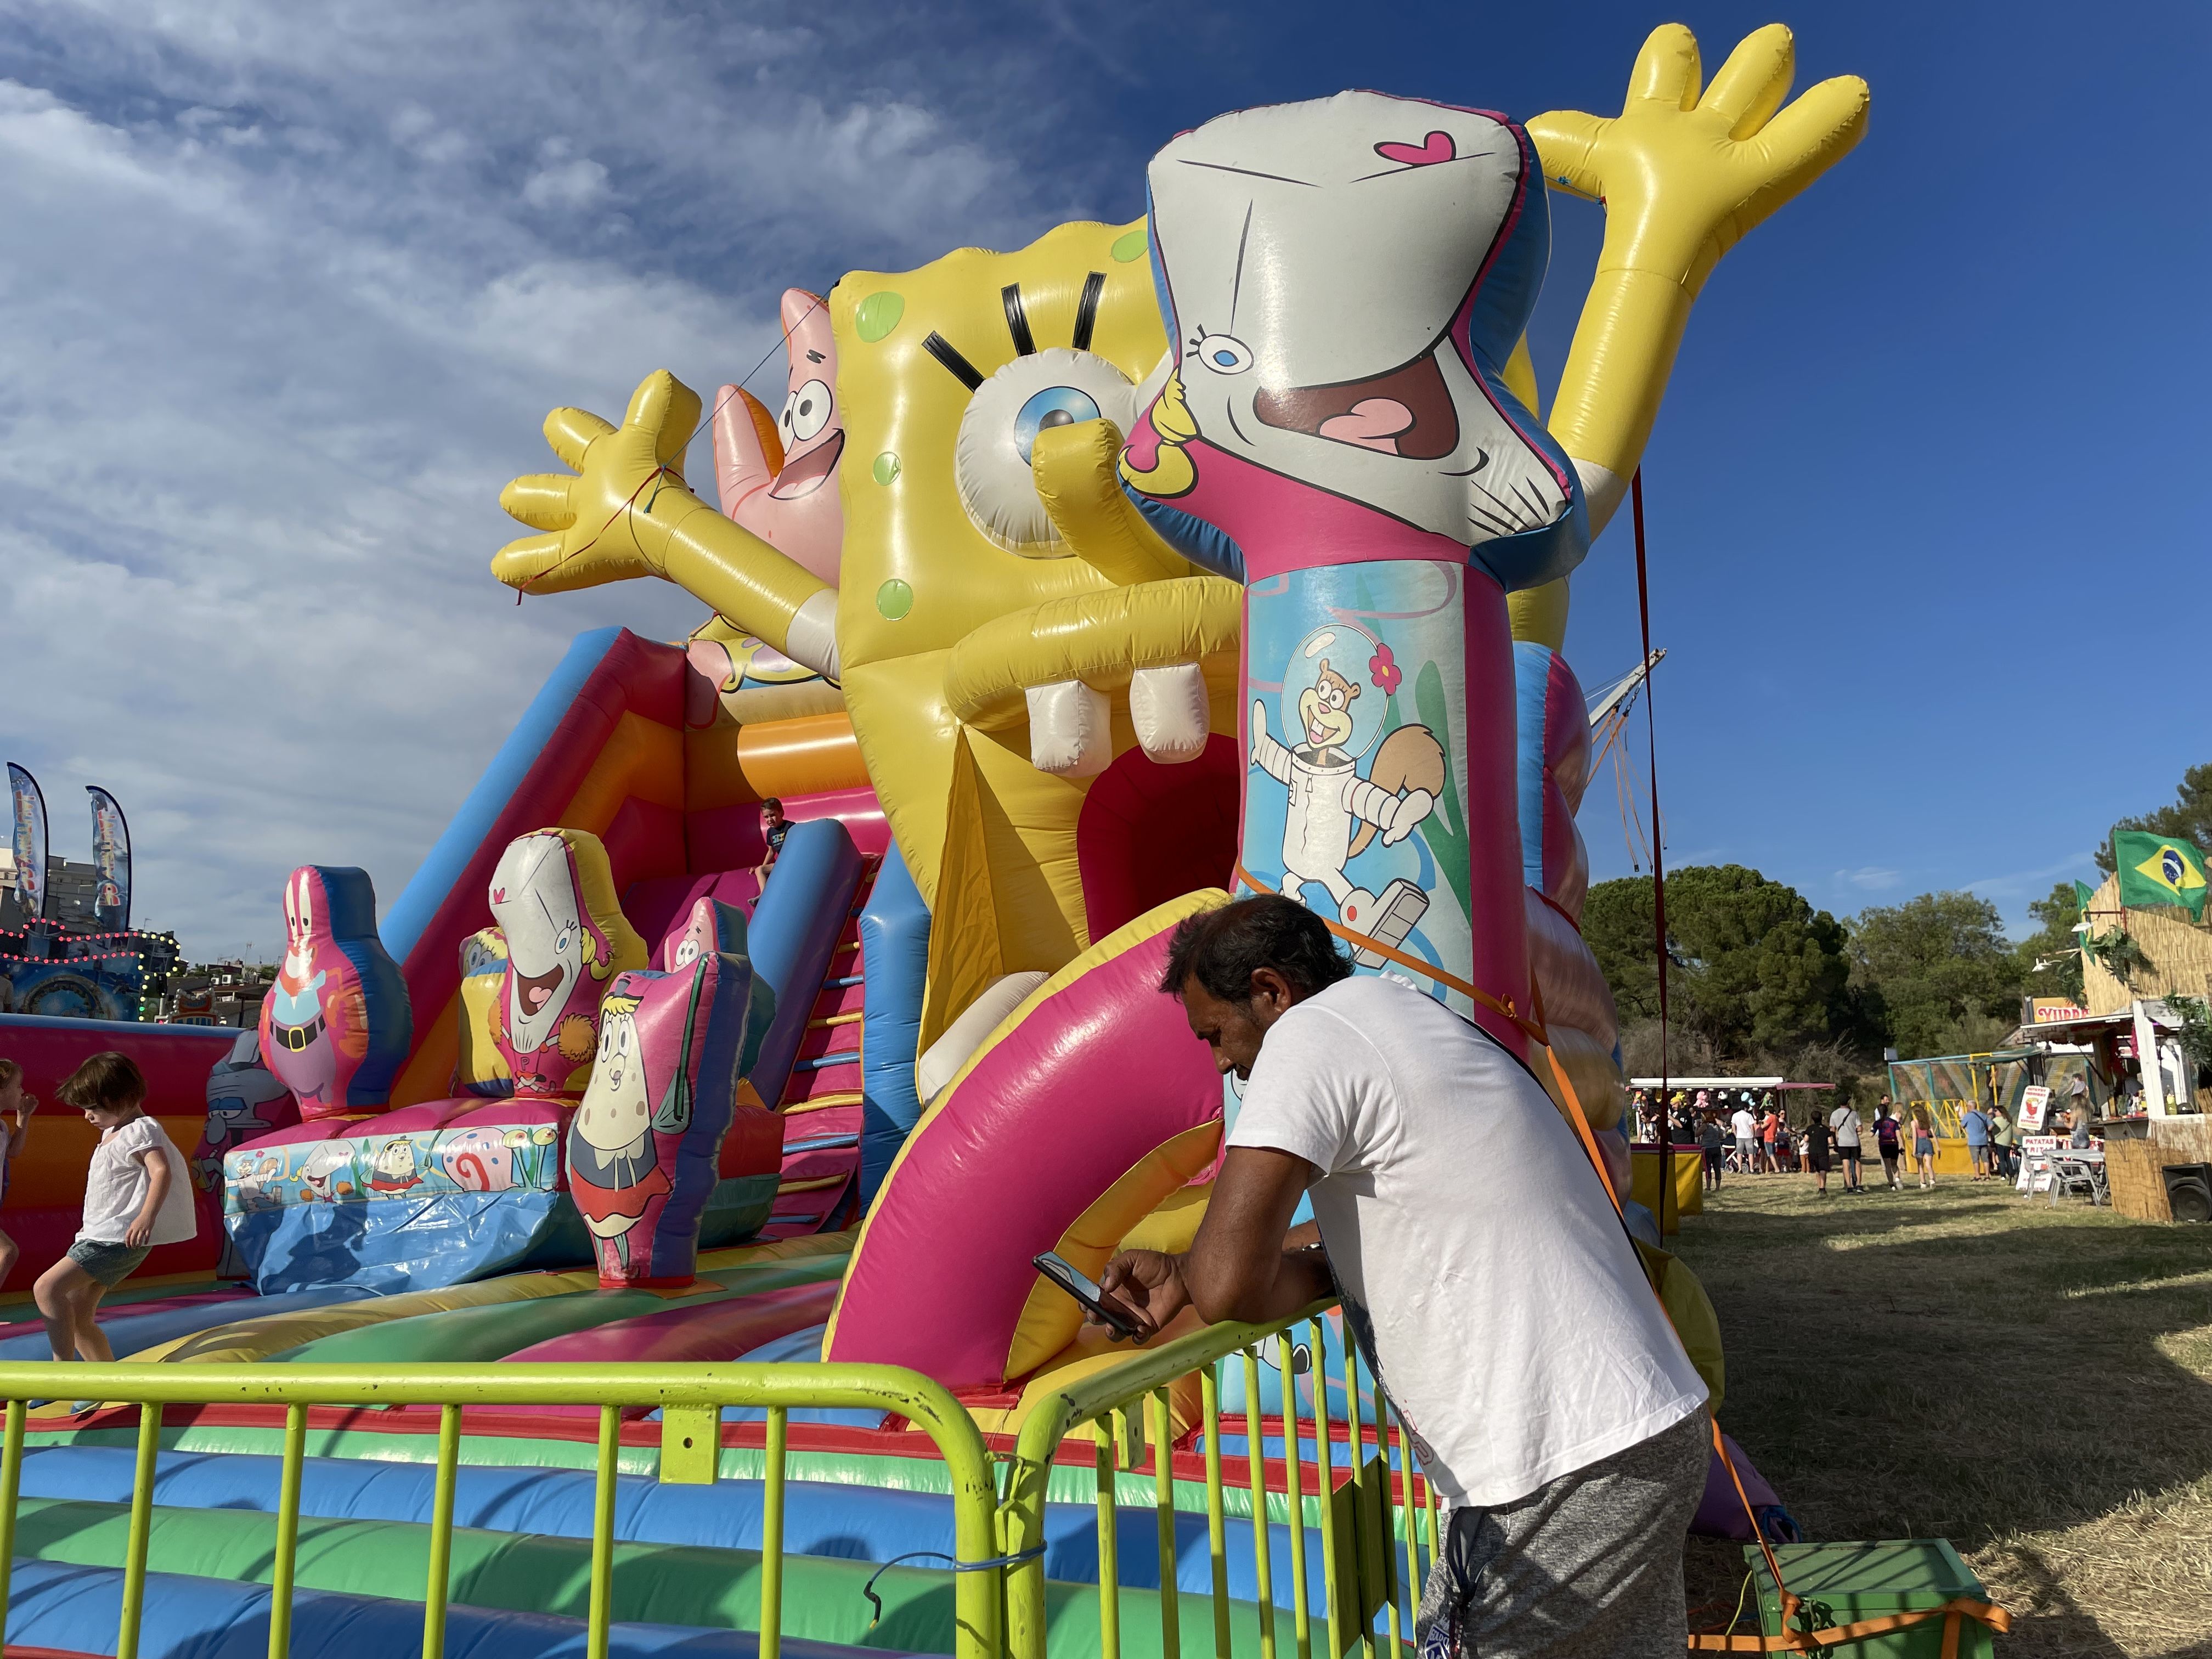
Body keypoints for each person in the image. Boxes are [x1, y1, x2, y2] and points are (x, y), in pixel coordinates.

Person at [1097, 896, 1711, 1658]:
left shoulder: (1310, 1037)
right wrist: (1191, 1277)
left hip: (1556, 1462)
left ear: (1270, 991)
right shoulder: (1404, 1016)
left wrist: (1200, 1275)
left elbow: (1230, 1284)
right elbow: (1375, 1232)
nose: (1220, 1061)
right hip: (1631, 1432)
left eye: (1215, 1033)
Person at [34, 1053, 196, 1378]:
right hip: (103, 1234)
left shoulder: (140, 1129)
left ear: (123, 1098)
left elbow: (161, 1170)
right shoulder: (112, 1133)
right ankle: (106, 1382)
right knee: (79, 1314)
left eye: (94, 1108)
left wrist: (146, 1218)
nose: (87, 1116)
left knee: (47, 1288)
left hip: (117, 1238)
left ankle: (60, 1374)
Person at [0, 1060, 37, 1288]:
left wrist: (23, 1118)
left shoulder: (2, 1127)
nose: (22, 1091)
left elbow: (12, 1152)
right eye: (17, 1086)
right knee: (8, 1252)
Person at [1828, 1097, 1865, 1193]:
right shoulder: (1854, 1114)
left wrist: (1835, 1142)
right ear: (1848, 1103)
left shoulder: (1834, 1114)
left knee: (1845, 1163)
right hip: (1854, 1141)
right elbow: (1860, 1128)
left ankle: (1849, 1186)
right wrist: (1853, 1129)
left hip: (1842, 1142)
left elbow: (1832, 1130)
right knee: (1857, 1162)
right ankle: (1859, 1184)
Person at [1873, 1102, 1904, 1190]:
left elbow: (1872, 1134)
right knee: (1894, 1164)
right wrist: (1901, 1145)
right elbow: (1898, 1134)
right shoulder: (1894, 1122)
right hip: (1894, 1144)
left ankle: (1892, 1184)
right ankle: (1898, 1179)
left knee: (1888, 1165)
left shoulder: (1878, 1123)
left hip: (1884, 1144)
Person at [1803, 1111, 1833, 1195]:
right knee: (1823, 1169)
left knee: (1817, 1169)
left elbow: (1806, 1139)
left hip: (1813, 1151)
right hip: (1823, 1151)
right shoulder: (1826, 1129)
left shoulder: (1810, 1128)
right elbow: (1830, 1142)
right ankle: (1823, 1188)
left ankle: (1819, 1186)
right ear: (1821, 1118)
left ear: (1812, 1119)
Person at [1960, 1099, 1991, 1181]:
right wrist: (1986, 1130)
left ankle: (1978, 1176)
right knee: (1985, 1159)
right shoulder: (1983, 1115)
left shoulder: (1968, 1116)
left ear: (1970, 1107)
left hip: (1973, 1141)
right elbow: (1991, 1125)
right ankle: (1987, 1176)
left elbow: (1962, 1125)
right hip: (1984, 1140)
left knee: (1976, 1159)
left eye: (1967, 1106)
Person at [1910, 1104, 1937, 1189]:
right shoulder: (1927, 1122)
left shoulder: (1914, 1123)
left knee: (1920, 1166)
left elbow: (1914, 1136)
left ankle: (1923, 1183)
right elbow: (1933, 1134)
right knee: (1929, 1165)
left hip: (1919, 1143)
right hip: (1928, 1142)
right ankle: (1932, 1180)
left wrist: (1914, 1150)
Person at [1989, 1102, 2017, 1181]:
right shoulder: (2008, 1119)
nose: (1995, 1113)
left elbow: (1990, 1128)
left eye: (1996, 1111)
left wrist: (1989, 1114)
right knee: (2008, 1159)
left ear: (2000, 1112)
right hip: (2008, 1142)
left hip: (1999, 1141)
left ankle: (2003, 1175)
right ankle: (2011, 1173)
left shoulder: (1996, 1120)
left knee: (2001, 1159)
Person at [1730, 1099, 1759, 1176]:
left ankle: (1740, 1169)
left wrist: (1736, 1136)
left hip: (1739, 1137)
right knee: (1750, 1153)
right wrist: (1753, 1136)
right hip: (1748, 1136)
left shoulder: (1735, 1115)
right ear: (1746, 1108)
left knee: (1739, 1153)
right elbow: (1752, 1128)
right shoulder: (1749, 1116)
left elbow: (1733, 1128)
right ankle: (1751, 1169)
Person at [1701, 1111, 1725, 1190]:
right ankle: (1718, 1187)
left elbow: (1697, 1134)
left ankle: (1708, 1187)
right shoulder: (1716, 1126)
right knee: (1717, 1168)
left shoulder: (1705, 1126)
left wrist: (1698, 1127)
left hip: (1707, 1148)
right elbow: (1721, 1136)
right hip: (1717, 1148)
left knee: (1708, 1168)